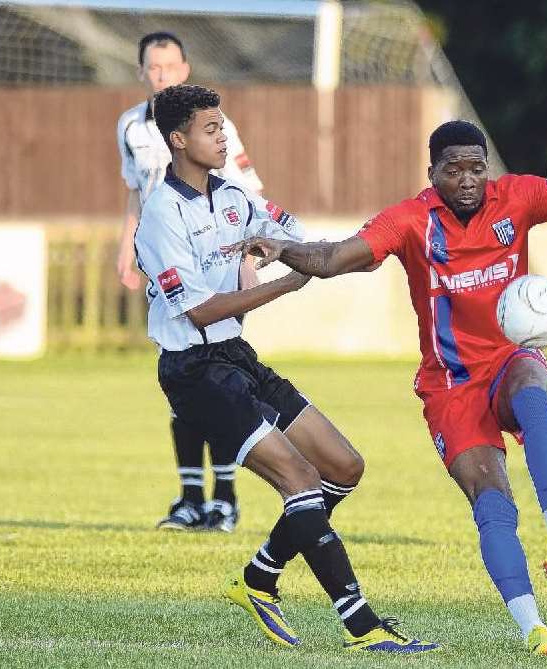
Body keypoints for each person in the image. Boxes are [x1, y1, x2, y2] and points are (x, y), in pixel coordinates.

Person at [223, 120, 547, 655]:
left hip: (509, 358)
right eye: (453, 169)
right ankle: (534, 628)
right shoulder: (413, 221)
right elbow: (331, 259)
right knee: (491, 498)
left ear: (488, 168)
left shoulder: (520, 196)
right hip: (450, 388)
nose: (467, 180)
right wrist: (282, 248)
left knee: (531, 391)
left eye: (476, 168)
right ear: (432, 173)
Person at [134, 83, 438, 653]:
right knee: (298, 480)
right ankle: (362, 626)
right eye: (210, 128)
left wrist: (340, 256)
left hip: (237, 359)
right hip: (193, 371)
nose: (222, 136)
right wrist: (288, 282)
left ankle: (259, 580)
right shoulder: (160, 214)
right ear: (177, 139)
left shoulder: (234, 196)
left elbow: (293, 234)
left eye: (223, 126)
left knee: (343, 466)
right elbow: (199, 310)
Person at [116, 32, 276, 531]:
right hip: (166, 262)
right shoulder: (131, 127)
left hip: (217, 263)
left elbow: (246, 191)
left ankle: (224, 497)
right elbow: (136, 195)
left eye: (170, 66)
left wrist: (247, 260)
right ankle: (190, 498)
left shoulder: (213, 125)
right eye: (153, 67)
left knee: (220, 380)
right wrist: (127, 248)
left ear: (184, 69)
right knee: (183, 380)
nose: (162, 74)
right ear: (142, 72)